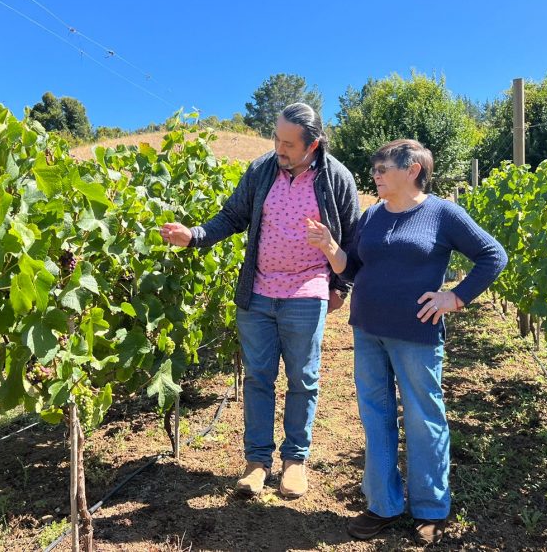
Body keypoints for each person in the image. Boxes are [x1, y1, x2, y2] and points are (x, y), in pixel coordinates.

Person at [306, 139, 507, 545]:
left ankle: (432, 509)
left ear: (413, 170)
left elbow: (493, 255)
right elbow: (354, 266)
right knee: (375, 416)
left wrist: (455, 296)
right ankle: (382, 505)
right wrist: (330, 248)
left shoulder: (442, 213)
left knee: (422, 418)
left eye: (383, 168)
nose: (375, 175)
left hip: (416, 335)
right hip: (367, 331)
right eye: (375, 168)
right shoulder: (372, 215)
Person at [160, 103, 360, 499]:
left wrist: (341, 287)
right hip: (258, 292)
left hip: (307, 290)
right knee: (258, 378)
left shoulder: (336, 178)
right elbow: (232, 216)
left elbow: (353, 239)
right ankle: (256, 463)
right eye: (275, 139)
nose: (278, 149)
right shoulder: (262, 170)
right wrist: (195, 235)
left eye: (288, 144)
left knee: (303, 379)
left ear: (313, 144)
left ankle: (295, 462)